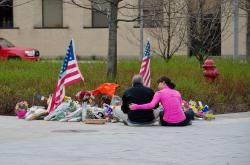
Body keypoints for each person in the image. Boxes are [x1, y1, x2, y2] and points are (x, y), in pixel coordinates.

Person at [130, 76, 194, 126]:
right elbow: (179, 107)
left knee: (161, 113)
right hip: (182, 122)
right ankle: (189, 120)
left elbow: (151, 105)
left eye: (158, 84)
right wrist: (187, 108)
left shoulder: (159, 93)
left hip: (166, 123)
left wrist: (137, 106)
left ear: (163, 82)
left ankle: (187, 119)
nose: (158, 86)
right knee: (190, 112)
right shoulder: (177, 92)